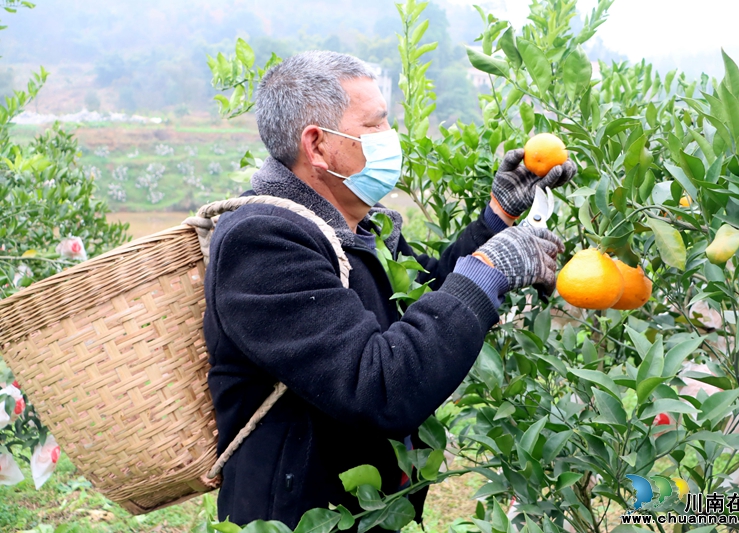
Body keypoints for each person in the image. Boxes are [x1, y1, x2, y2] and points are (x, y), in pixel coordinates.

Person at [202, 51, 576, 527]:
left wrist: (498, 217)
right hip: (297, 518)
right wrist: (490, 269)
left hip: (365, 512)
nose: (389, 140)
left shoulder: (358, 227)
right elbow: (377, 385)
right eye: (375, 126)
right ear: (317, 145)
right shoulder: (262, 241)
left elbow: (428, 300)